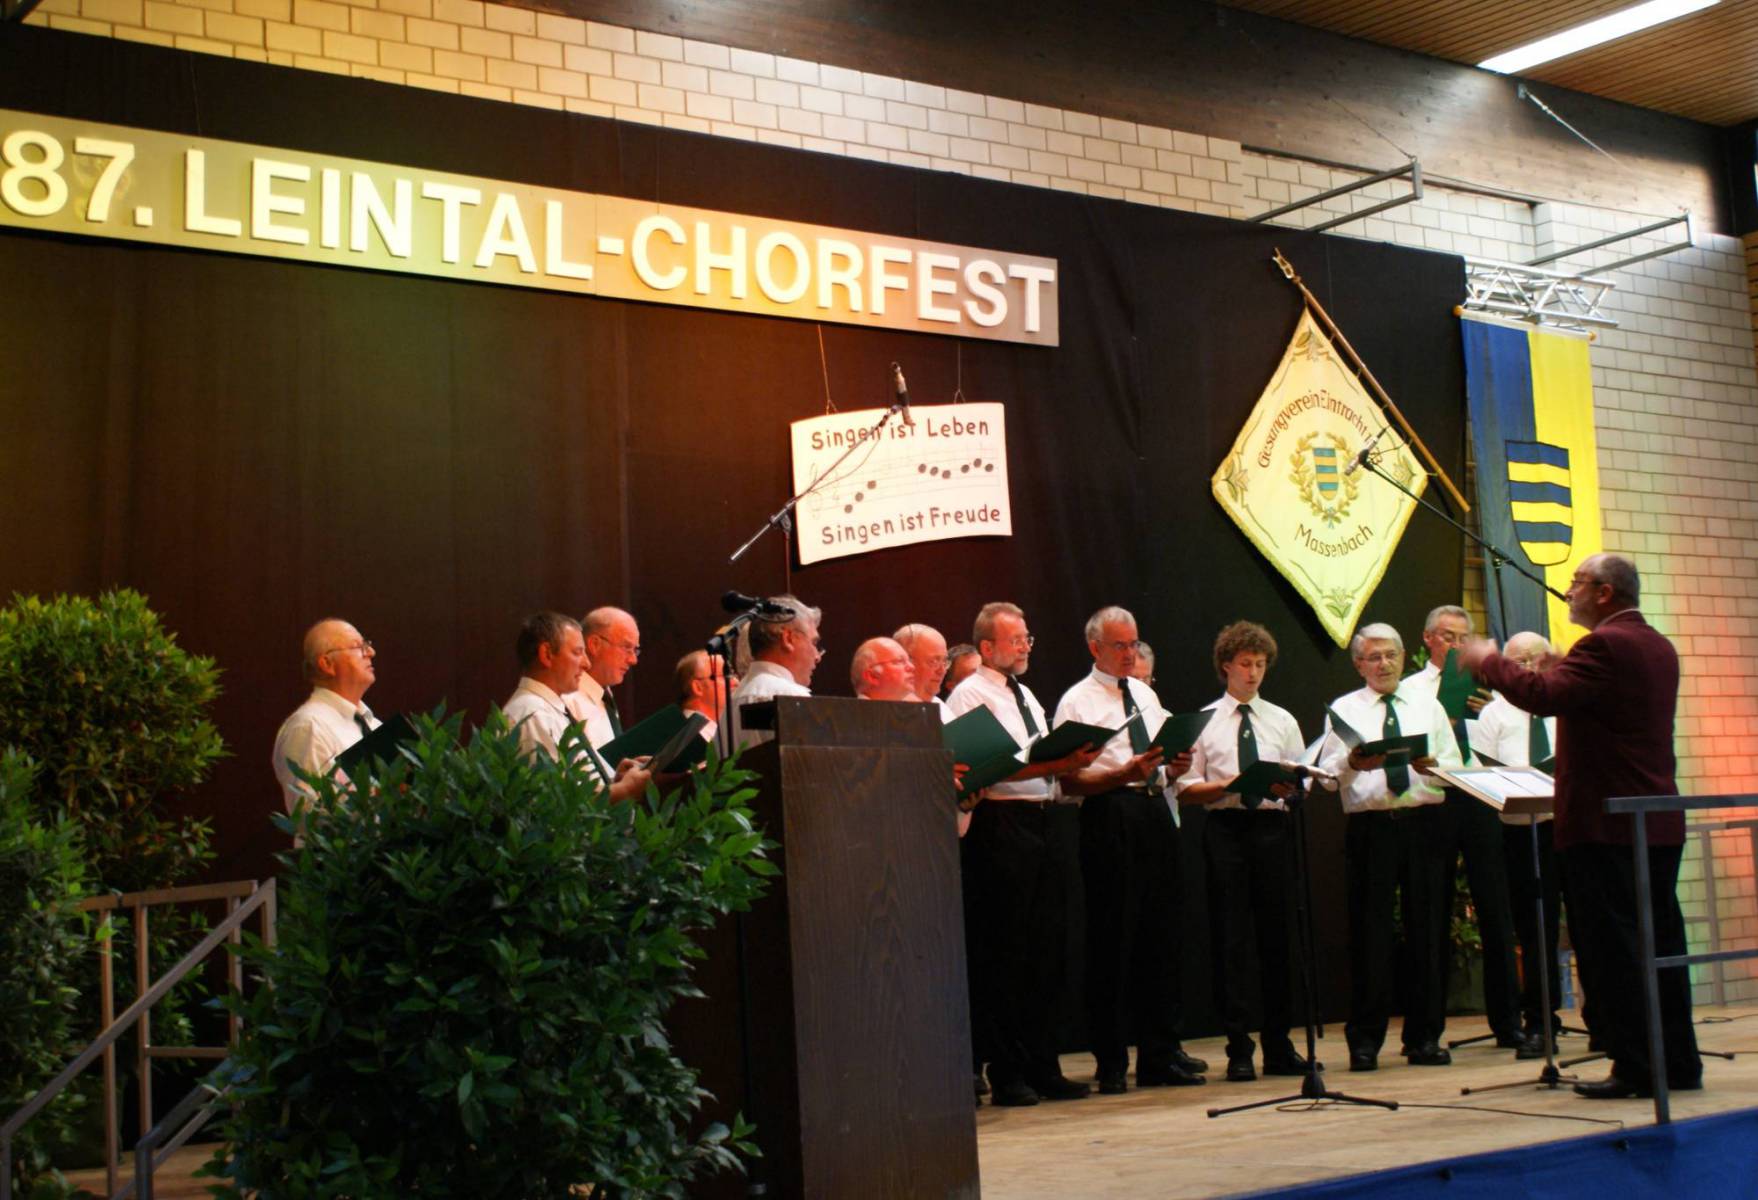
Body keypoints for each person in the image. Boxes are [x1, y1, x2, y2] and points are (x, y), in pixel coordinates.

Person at [1461, 553, 1702, 1099]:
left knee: (1616, 952)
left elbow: (1541, 697)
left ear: (1604, 592)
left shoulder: (1604, 646)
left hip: (1606, 826)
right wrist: (1558, 667)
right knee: (1661, 948)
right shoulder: (1656, 645)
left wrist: (1488, 660)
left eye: (1577, 583)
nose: (1568, 591)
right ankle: (1678, 1062)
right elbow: (1594, 700)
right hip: (1654, 821)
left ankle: (1637, 1068)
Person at [947, 602, 1101, 1106]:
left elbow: (1035, 755)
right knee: (1007, 950)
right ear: (986, 646)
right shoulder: (971, 693)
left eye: (1027, 638)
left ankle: (1043, 1064)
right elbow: (988, 765)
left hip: (1042, 819)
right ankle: (1008, 1070)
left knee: (1045, 949)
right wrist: (1057, 763)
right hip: (1002, 824)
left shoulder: (1025, 693)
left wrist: (1067, 760)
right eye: (1015, 639)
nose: (1024, 646)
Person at [1054, 606, 1206, 1094]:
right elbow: (1067, 780)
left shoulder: (1144, 693)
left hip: (1153, 809)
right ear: (1094, 647)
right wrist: (1123, 773)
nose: (1129, 654)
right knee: (1113, 937)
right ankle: (1112, 1060)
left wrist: (1175, 765)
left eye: (1134, 644)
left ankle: (1160, 1054)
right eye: (1119, 645)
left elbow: (1161, 760)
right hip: (1110, 813)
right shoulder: (1077, 701)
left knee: (1161, 935)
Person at [1319, 622, 1462, 1072]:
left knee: (1428, 932)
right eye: (1374, 657)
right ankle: (1365, 1042)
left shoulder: (1427, 705)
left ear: (1403, 657)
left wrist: (1433, 765)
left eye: (1391, 655)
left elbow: (1456, 768)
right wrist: (1352, 762)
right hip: (1372, 827)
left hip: (1424, 824)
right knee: (1369, 934)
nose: (1384, 664)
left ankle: (1425, 1038)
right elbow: (1327, 778)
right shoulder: (1345, 710)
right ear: (1359, 664)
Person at [1175, 621, 1308, 1082]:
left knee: (1276, 938)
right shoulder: (1206, 720)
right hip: (1226, 828)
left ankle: (1279, 1044)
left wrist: (1290, 787)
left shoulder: (1281, 719)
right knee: (1230, 939)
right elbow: (1186, 788)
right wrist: (1230, 784)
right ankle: (1238, 1047)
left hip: (1272, 827)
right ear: (1226, 666)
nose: (1253, 673)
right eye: (1246, 664)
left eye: (1261, 664)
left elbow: (1299, 780)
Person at [1404, 604, 1528, 1054]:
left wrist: (1486, 713)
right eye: (1447, 636)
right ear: (1428, 639)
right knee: (1430, 913)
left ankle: (1508, 1022)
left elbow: (1502, 742)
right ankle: (1425, 1031)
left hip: (1478, 794)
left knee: (1495, 910)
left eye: (1463, 638)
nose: (1456, 645)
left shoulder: (1487, 686)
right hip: (1435, 797)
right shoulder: (1410, 689)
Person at [1471, 630, 1564, 1045]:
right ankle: (1540, 1019)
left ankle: (1602, 1020)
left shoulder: (1561, 702)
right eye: (1516, 661)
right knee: (1533, 927)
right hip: (1518, 830)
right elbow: (1482, 770)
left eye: (1532, 659)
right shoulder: (1495, 713)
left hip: (1564, 824)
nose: (1525, 668)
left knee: (1582, 922)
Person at [502, 611, 650, 802]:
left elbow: (575, 785)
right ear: (547, 654)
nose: (586, 663)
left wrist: (615, 780)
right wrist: (624, 790)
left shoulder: (548, 709)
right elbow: (558, 803)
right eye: (578, 652)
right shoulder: (533, 714)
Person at [271, 618, 381, 819]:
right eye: (358, 647)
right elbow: (308, 816)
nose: (371, 652)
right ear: (327, 664)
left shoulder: (373, 724)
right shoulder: (308, 727)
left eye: (367, 645)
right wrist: (380, 796)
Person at [730, 595, 822, 749]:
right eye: (813, 642)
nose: (817, 656)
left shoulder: (730, 704)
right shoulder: (792, 697)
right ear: (788, 639)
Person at [567, 606, 641, 749]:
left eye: (635, 650)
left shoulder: (604, 695)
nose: (633, 660)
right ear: (595, 645)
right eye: (627, 647)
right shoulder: (568, 700)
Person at [893, 623, 953, 716]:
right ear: (907, 663)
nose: (942, 671)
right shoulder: (887, 713)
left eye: (944, 661)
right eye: (934, 661)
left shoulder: (942, 708)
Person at [674, 649, 735, 740]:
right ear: (698, 688)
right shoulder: (692, 736)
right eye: (725, 675)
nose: (735, 682)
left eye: (733, 675)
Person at [851, 637, 918, 702]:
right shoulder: (850, 710)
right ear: (873, 676)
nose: (912, 667)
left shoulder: (915, 707)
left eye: (909, 661)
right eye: (899, 661)